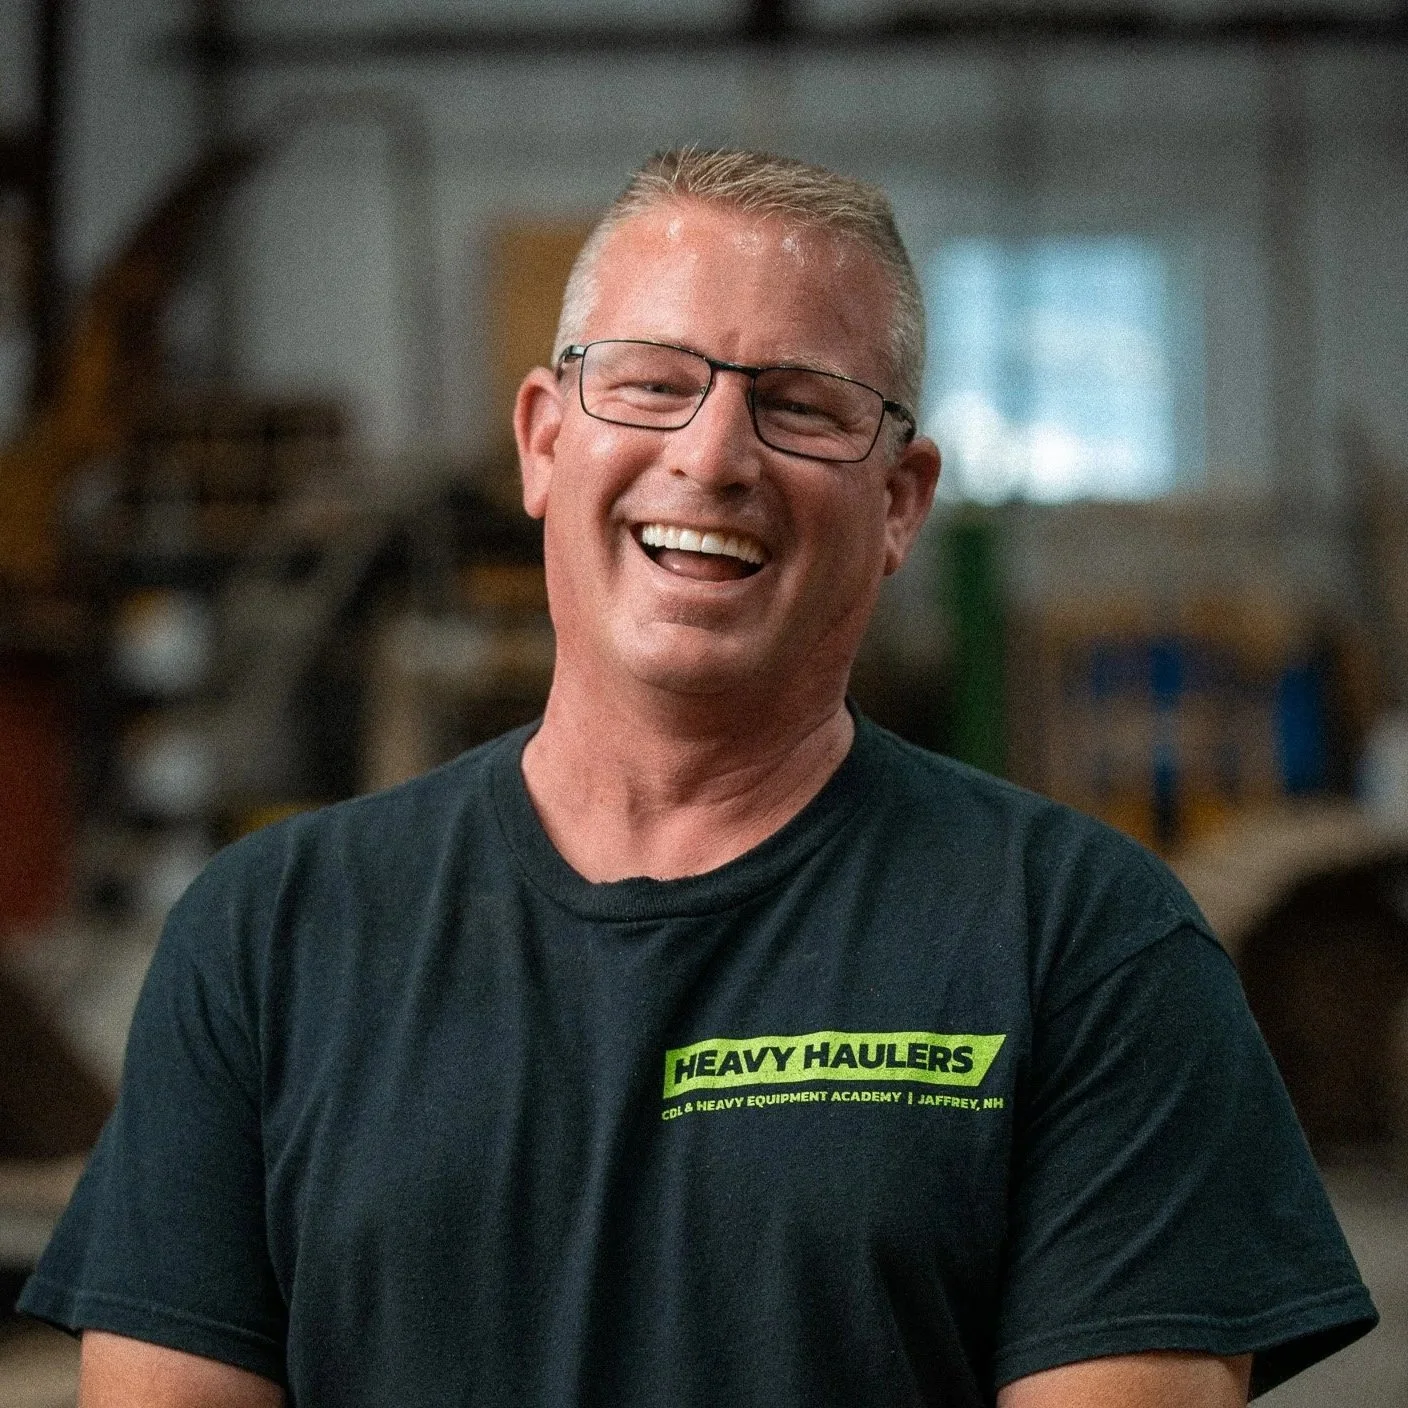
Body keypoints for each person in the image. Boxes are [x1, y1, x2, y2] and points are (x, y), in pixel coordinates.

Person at [21, 149, 1375, 1407]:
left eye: (799, 406)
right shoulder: (270, 935)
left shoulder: (1083, 946)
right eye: (654, 383)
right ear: (546, 439)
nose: (714, 455)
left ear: (900, 502)